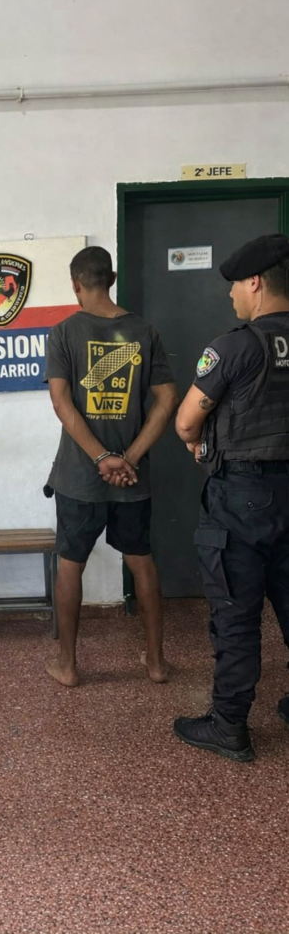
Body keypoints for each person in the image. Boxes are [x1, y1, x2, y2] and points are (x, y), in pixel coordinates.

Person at [173, 233, 289, 763]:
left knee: (236, 616)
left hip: (243, 497)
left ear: (256, 283)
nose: (231, 294)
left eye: (236, 284)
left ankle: (229, 726)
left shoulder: (237, 346)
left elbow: (186, 422)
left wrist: (198, 443)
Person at [44, 246, 178, 687]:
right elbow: (167, 400)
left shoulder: (63, 332)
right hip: (131, 478)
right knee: (141, 563)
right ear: (113, 278)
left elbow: (60, 402)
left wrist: (100, 458)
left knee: (70, 565)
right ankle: (156, 663)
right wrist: (130, 457)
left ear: (75, 284)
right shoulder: (144, 331)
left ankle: (67, 666)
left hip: (78, 477)